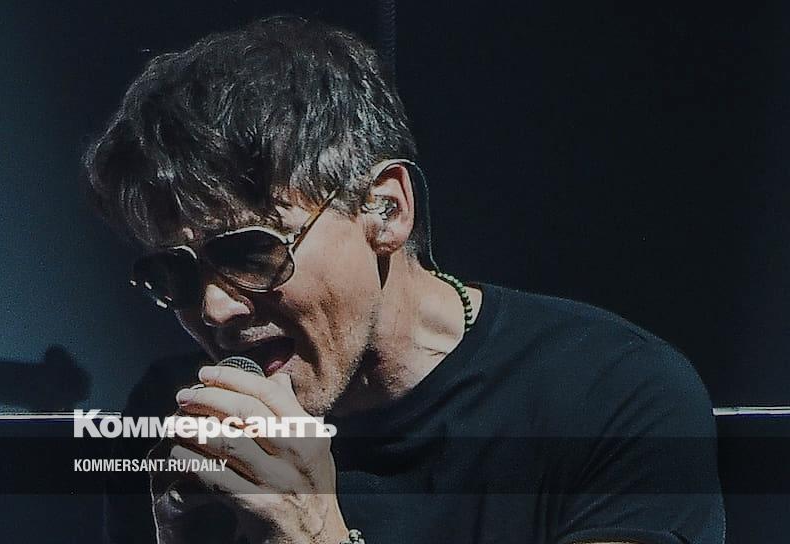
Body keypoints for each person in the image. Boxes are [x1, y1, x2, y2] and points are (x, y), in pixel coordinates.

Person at [84, 15, 724, 544]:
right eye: (174, 271)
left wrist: (314, 536)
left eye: (252, 253)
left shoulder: (611, 395)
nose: (214, 309)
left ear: (384, 210)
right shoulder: (171, 416)